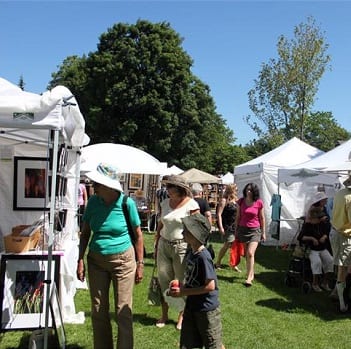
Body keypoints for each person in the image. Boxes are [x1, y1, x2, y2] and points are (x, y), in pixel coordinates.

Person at [76, 163, 144, 349]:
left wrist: (140, 263)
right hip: (96, 261)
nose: (93, 186)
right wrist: (80, 259)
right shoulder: (92, 203)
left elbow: (138, 235)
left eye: (96, 183)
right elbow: (85, 233)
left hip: (123, 261)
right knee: (98, 311)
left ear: (107, 185)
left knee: (123, 310)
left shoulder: (126, 203)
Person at [169, 213, 225, 349]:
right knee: (189, 343)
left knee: (213, 345)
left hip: (206, 311)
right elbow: (192, 277)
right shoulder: (191, 252)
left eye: (186, 230)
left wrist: (184, 291)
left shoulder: (203, 257)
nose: (183, 232)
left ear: (195, 235)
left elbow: (210, 286)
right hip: (192, 306)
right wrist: (180, 285)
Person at [154, 175, 199, 329]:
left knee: (181, 283)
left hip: (182, 247)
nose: (167, 190)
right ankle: (164, 314)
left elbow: (197, 229)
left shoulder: (192, 205)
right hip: (163, 244)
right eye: (166, 187)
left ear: (179, 189)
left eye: (170, 187)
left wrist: (195, 249)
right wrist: (156, 243)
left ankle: (181, 316)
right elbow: (161, 224)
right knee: (164, 280)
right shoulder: (165, 202)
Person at [298, 203, 334, 292]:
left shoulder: (321, 224)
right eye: (318, 218)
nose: (319, 220)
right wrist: (312, 238)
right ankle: (315, 283)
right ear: (313, 218)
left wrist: (324, 237)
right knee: (317, 262)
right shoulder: (307, 225)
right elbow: (300, 237)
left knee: (330, 261)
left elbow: (326, 232)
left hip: (322, 248)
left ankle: (325, 282)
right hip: (311, 249)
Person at [235, 182, 266, 287]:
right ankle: (250, 273)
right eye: (247, 189)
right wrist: (236, 230)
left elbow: (262, 218)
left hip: (255, 230)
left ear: (254, 192)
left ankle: (249, 278)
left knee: (250, 253)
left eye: (250, 190)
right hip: (243, 229)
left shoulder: (259, 203)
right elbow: (238, 216)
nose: (248, 191)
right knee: (247, 255)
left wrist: (263, 232)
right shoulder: (241, 201)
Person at [330, 175, 351, 312]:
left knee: (341, 266)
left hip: (336, 232)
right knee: (343, 268)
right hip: (344, 235)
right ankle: (342, 304)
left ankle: (335, 293)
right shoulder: (349, 197)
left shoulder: (340, 193)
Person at [215, 184, 240, 272]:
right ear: (231, 190)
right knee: (228, 244)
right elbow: (219, 214)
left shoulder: (236, 200)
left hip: (235, 226)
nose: (237, 191)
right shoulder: (224, 200)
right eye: (235, 189)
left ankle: (234, 264)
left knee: (235, 245)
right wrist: (221, 227)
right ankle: (218, 262)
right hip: (227, 226)